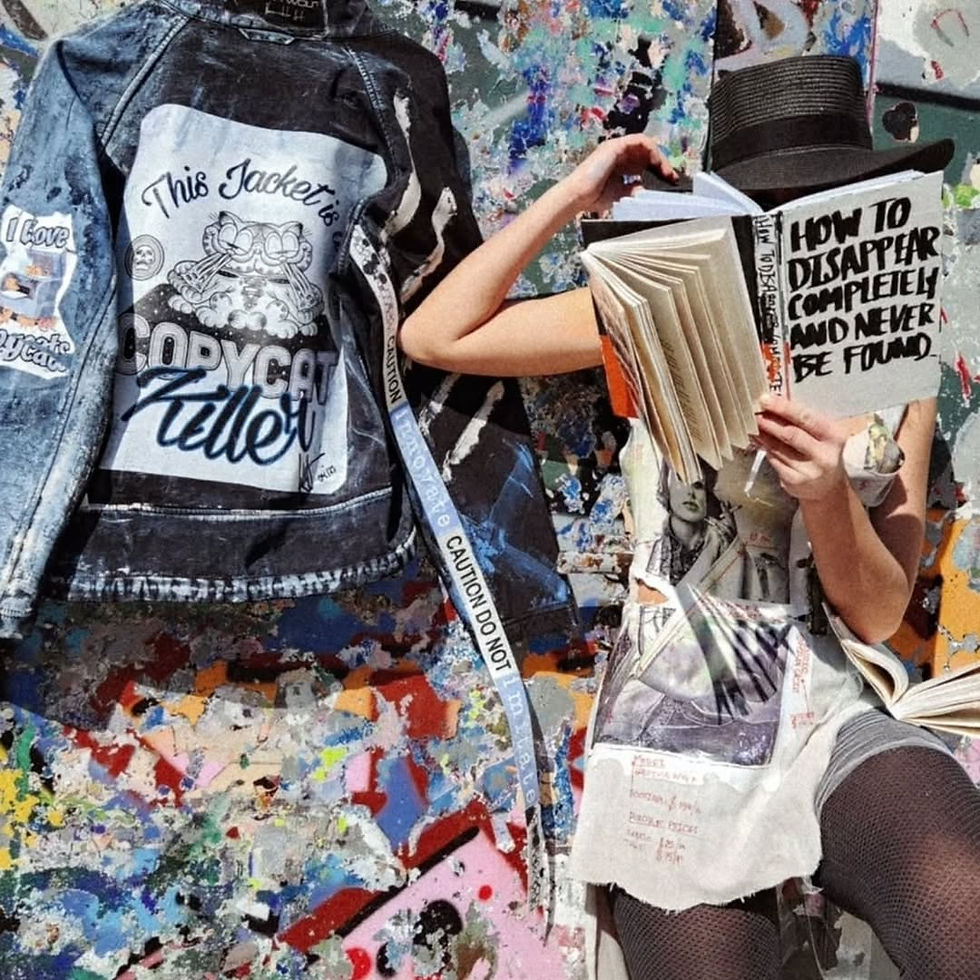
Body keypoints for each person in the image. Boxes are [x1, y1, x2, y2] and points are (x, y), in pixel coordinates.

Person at [400, 55, 980, 980]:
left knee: (964, 908)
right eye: (766, 205)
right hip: (675, 730)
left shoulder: (897, 356)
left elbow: (876, 614)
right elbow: (437, 336)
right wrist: (573, 193)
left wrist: (828, 496)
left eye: (819, 200)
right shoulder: (651, 312)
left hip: (827, 708)